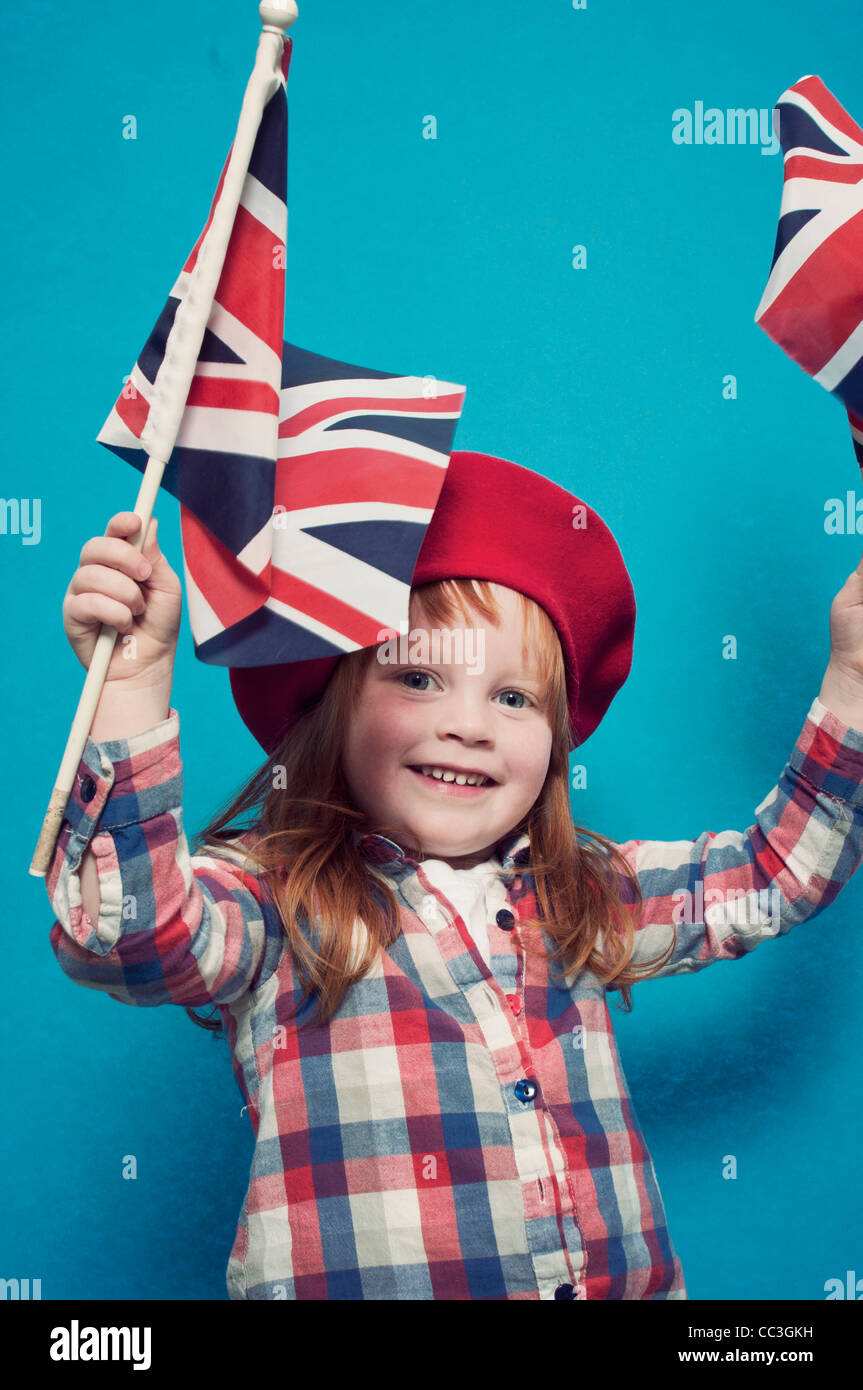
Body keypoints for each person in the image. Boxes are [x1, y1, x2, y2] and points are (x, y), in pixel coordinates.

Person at [45, 449, 863, 1300]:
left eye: (513, 699)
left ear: (553, 744)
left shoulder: (583, 892)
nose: (468, 726)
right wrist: (129, 690)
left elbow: (775, 873)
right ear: (331, 708)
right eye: (417, 677)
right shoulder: (271, 898)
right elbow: (136, 936)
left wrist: (853, 679)